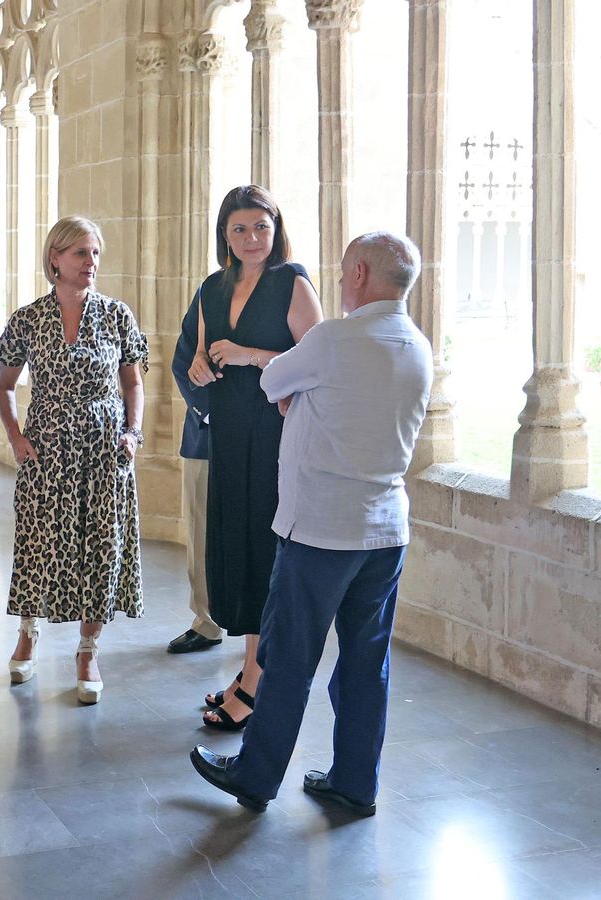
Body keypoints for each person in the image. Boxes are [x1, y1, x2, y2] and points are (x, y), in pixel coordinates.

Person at [190, 232, 433, 816]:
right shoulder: (418, 345)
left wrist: (299, 401)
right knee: (365, 661)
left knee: (288, 656)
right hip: (385, 530)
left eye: (347, 270)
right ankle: (355, 782)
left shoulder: (334, 339)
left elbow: (274, 383)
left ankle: (255, 774)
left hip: (322, 528)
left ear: (360, 276)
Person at [0, 215, 148, 706]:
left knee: (102, 546)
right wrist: (16, 437)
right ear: (55, 259)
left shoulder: (117, 315)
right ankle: (28, 631)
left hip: (105, 451)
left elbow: (133, 381)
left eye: (95, 253)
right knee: (40, 542)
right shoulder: (28, 318)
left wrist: (133, 431)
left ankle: (88, 649)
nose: (91, 263)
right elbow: (4, 385)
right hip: (48, 450)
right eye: (81, 253)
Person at [186, 185, 322, 730]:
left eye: (260, 227)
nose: (251, 239)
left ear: (276, 228)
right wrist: (201, 368)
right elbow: (198, 355)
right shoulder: (211, 288)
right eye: (239, 229)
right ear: (224, 233)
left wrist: (249, 356)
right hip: (229, 434)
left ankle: (257, 681)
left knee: (265, 554)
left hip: (275, 434)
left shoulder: (291, 281)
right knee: (238, 551)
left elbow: (317, 359)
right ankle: (248, 672)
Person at [166, 287, 220, 655]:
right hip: (206, 433)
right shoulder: (210, 292)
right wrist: (216, 414)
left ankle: (261, 630)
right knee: (201, 530)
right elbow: (182, 360)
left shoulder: (286, 291)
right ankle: (207, 622)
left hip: (264, 435)